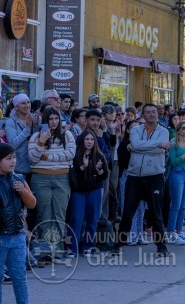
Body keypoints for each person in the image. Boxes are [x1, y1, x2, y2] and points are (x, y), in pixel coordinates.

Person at [114, 103, 171, 257]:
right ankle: (118, 244)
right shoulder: (136, 130)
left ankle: (161, 247)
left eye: (154, 112)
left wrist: (139, 147)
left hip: (155, 176)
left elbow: (140, 147)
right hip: (135, 177)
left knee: (156, 214)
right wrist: (158, 144)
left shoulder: (163, 131)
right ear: (143, 115)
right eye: (148, 112)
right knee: (127, 213)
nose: (152, 114)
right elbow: (140, 145)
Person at [27, 105, 75, 251]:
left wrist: (47, 156)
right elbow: (33, 158)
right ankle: (44, 250)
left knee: (59, 214)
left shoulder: (67, 135)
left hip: (62, 177)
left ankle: (57, 250)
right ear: (45, 120)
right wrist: (41, 141)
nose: (53, 122)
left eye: (56, 118)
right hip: (41, 178)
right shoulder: (36, 136)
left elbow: (70, 154)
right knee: (44, 215)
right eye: (50, 119)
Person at [0, 143, 36, 304]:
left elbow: (32, 204)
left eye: (14, 157)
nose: (13, 161)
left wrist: (23, 191)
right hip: (1, 238)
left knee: (20, 278)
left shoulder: (19, 178)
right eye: (8, 158)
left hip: (17, 238)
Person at [68, 130, 109, 256]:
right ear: (82, 140)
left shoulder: (99, 155)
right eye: (87, 139)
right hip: (78, 191)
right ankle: (72, 248)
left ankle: (88, 247)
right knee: (76, 219)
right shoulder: (75, 154)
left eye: (92, 139)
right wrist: (84, 166)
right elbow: (74, 174)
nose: (89, 142)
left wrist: (99, 170)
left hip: (95, 190)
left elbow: (105, 175)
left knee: (92, 219)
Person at [166, 123, 185, 246]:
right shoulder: (173, 143)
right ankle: (171, 233)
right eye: (183, 128)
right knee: (176, 205)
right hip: (177, 173)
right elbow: (173, 162)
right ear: (178, 131)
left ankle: (179, 231)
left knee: (183, 205)